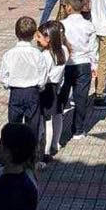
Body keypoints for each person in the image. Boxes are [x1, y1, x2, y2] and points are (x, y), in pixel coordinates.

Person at [0, 16, 49, 146]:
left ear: (16, 33)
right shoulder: (37, 54)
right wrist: (40, 87)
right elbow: (43, 76)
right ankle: (30, 155)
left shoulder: (9, 54)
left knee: (14, 125)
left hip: (16, 92)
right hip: (32, 92)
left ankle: (13, 152)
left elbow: (3, 76)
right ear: (33, 35)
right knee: (33, 127)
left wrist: (8, 84)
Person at [59, 0, 97, 140]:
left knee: (62, 95)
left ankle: (55, 122)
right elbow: (93, 48)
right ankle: (78, 130)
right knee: (81, 98)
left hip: (66, 64)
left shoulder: (62, 25)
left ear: (68, 7)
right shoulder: (89, 25)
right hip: (84, 64)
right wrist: (95, 66)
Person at [37, 20, 69, 162]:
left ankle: (45, 151)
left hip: (47, 89)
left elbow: (42, 77)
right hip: (59, 87)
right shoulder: (64, 50)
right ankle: (56, 143)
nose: (36, 39)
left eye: (39, 37)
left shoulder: (45, 56)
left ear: (48, 38)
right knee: (58, 116)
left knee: (46, 121)